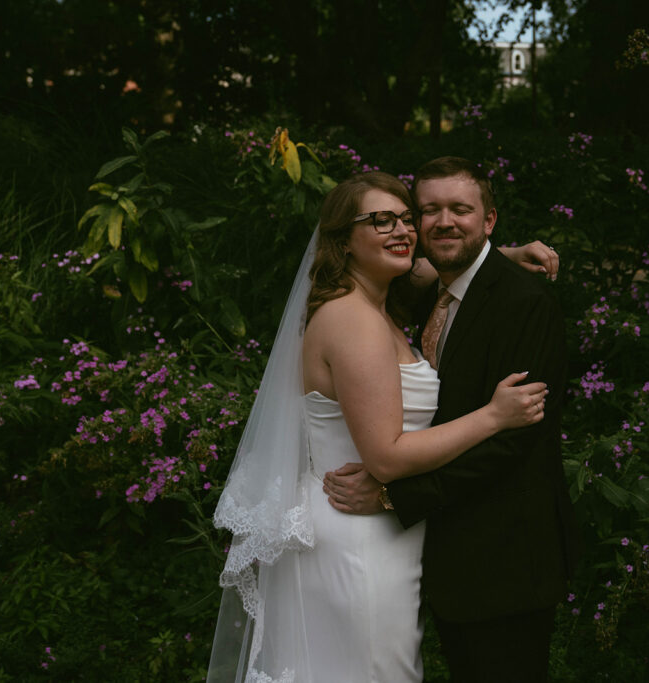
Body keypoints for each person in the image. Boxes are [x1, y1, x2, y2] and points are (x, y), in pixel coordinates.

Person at [207, 170, 559, 683]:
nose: (403, 230)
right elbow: (387, 459)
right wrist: (493, 415)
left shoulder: (378, 301)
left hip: (372, 532)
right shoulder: (356, 321)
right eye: (380, 220)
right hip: (357, 535)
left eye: (403, 218)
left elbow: (430, 269)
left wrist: (498, 255)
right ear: (343, 239)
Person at [324, 157, 577, 682]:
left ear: (489, 220)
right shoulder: (416, 289)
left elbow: (513, 446)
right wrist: (499, 254)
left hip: (505, 560)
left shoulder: (523, 304)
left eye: (461, 209)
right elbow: (426, 263)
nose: (444, 222)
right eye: (429, 210)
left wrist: (396, 496)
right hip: (442, 557)